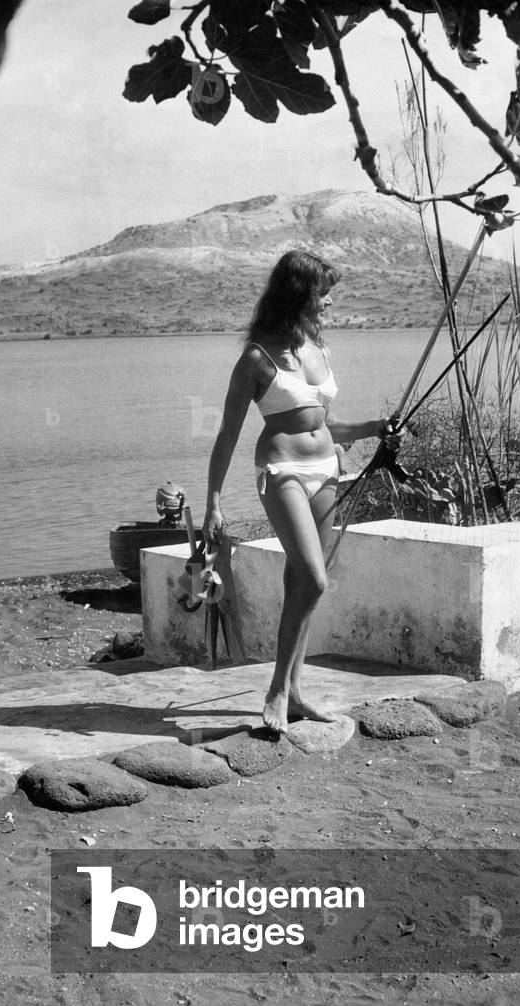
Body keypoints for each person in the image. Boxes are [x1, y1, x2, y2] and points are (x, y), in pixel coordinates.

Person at [203, 250, 401, 734]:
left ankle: (294, 693)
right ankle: (276, 691)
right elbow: (226, 435)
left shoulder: (318, 349)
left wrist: (375, 427)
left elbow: (326, 424)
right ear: (298, 295)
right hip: (282, 471)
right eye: (323, 293)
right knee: (314, 580)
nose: (329, 302)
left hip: (326, 470)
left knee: (301, 586)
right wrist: (213, 503)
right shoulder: (257, 358)